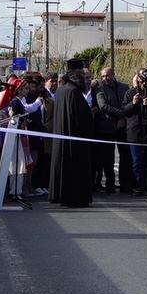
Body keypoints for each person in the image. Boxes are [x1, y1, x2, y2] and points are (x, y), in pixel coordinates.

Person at [50, 58, 95, 208]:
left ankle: (62, 195)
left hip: (63, 137)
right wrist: (90, 114)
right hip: (74, 140)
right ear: (75, 74)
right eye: (82, 74)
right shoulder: (74, 92)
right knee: (75, 168)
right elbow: (82, 118)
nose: (84, 77)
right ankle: (75, 197)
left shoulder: (62, 90)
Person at [94, 66, 133, 193]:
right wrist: (121, 114)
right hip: (107, 127)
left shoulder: (124, 87)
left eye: (107, 75)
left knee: (125, 156)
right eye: (103, 76)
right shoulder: (99, 89)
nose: (105, 78)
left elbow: (127, 102)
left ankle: (125, 183)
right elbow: (104, 106)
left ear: (113, 75)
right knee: (108, 158)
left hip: (122, 126)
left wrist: (123, 118)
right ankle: (109, 184)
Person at [121, 69, 147, 195]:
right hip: (135, 133)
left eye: (146, 82)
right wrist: (133, 104)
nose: (144, 84)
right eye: (142, 81)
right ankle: (139, 186)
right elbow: (124, 111)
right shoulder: (130, 93)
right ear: (138, 80)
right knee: (137, 162)